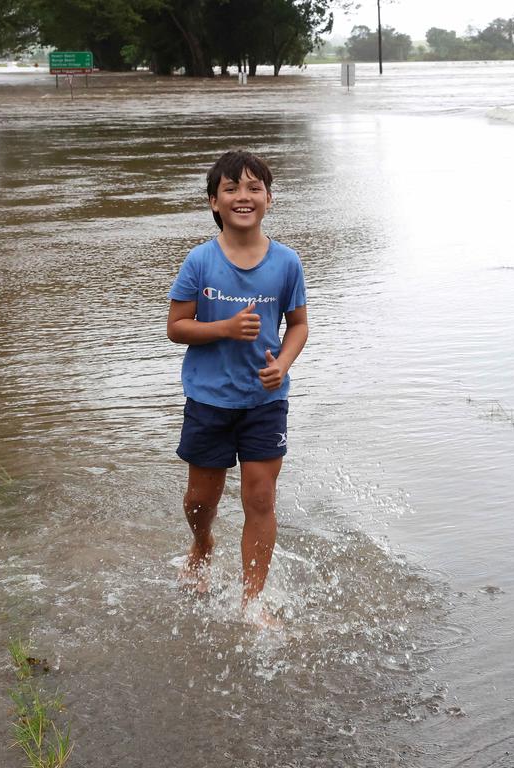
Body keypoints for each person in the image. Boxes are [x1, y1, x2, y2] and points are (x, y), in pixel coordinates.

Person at [166, 150, 309, 618]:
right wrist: (224, 328)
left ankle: (253, 602)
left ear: (269, 199)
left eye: (253, 188)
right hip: (208, 398)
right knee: (200, 500)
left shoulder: (287, 263)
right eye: (231, 189)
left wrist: (283, 364)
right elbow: (177, 327)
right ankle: (203, 543)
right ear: (214, 202)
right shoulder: (199, 261)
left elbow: (299, 325)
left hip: (265, 399)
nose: (243, 197)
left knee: (261, 496)